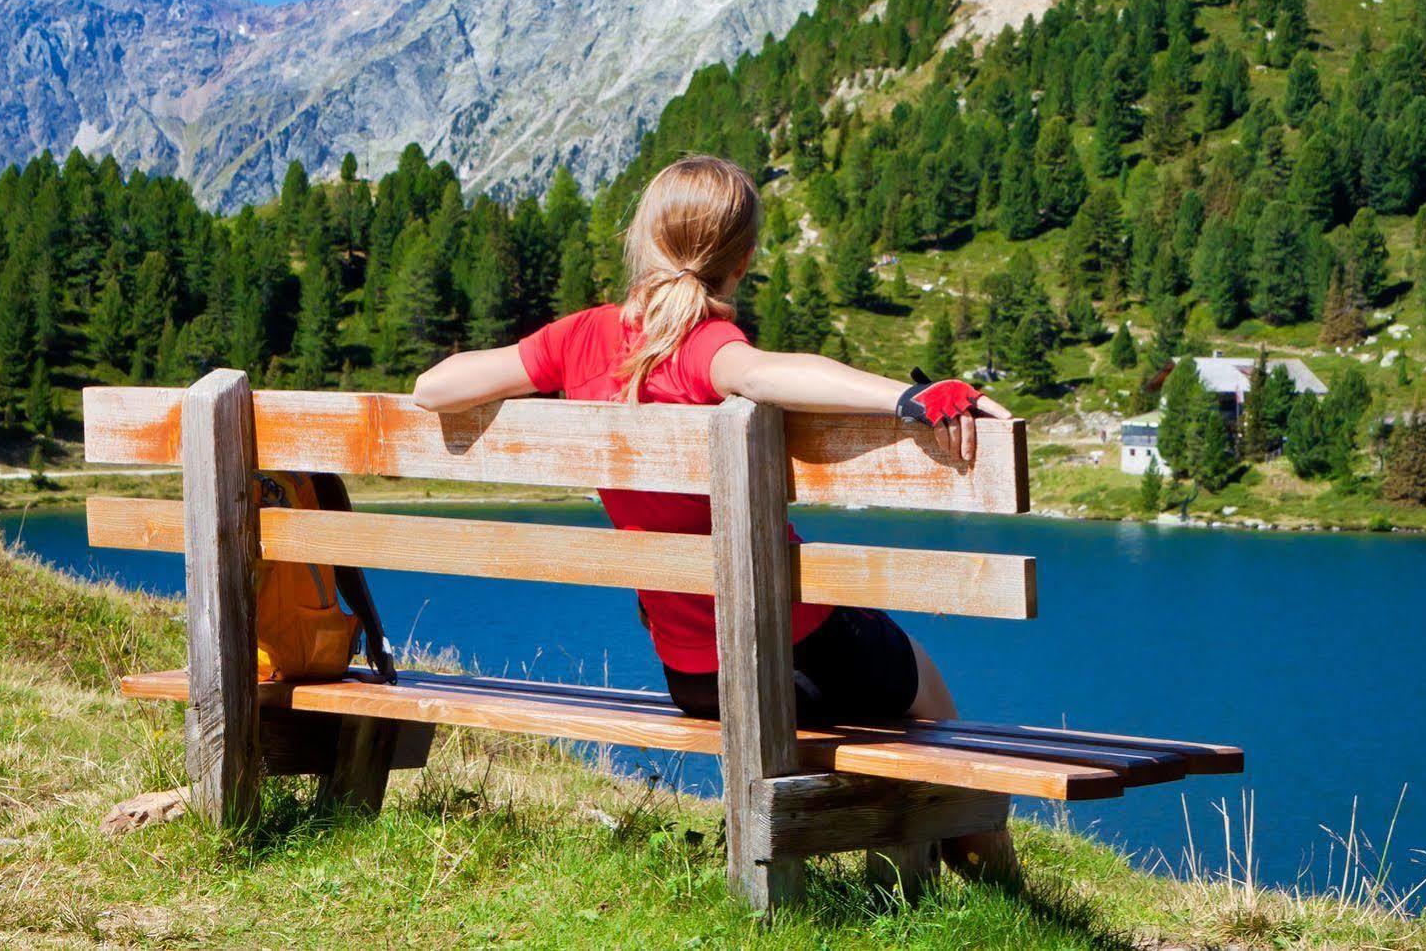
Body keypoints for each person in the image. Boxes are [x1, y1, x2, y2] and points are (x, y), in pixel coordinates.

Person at [412, 152, 1016, 878]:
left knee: (883, 687)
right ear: (746, 256)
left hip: (693, 677)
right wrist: (905, 395)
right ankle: (994, 892)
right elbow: (765, 372)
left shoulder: (577, 340)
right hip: (797, 659)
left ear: (645, 238)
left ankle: (904, 877)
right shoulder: (703, 345)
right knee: (930, 704)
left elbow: (433, 388)